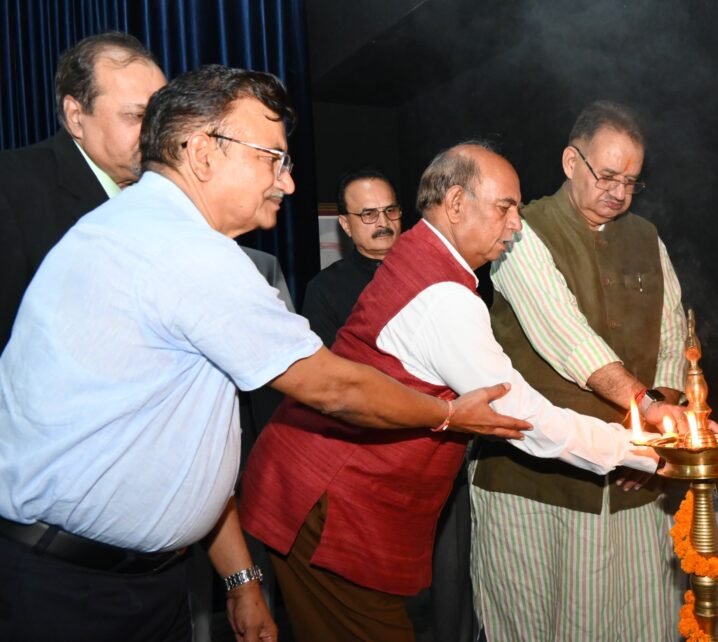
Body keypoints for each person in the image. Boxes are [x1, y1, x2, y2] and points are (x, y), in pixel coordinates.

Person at [0, 67, 526, 642]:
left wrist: (241, 581)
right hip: (74, 593)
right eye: (272, 158)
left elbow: (191, 451)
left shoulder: (136, 228)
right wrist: (448, 414)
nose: (288, 183)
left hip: (129, 581)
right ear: (203, 152)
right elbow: (334, 388)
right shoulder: (185, 251)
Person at [239, 141, 673, 642]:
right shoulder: (445, 297)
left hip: (323, 495)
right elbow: (521, 418)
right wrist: (645, 449)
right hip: (327, 503)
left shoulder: (420, 254)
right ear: (457, 203)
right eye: (505, 208)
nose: (516, 224)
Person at [471, 100, 689, 641]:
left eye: (631, 182)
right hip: (538, 481)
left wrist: (656, 434)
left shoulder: (647, 236)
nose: (618, 191)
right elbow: (567, 339)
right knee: (547, 622)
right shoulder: (520, 231)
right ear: (572, 161)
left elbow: (672, 339)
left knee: (643, 620)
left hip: (634, 478)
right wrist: (647, 409)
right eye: (607, 175)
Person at [0, 31, 166, 351]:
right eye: (136, 116)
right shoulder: (11, 187)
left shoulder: (169, 192)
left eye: (161, 117)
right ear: (76, 117)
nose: (155, 133)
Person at [301, 169, 402, 345]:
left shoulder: (428, 270)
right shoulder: (325, 289)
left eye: (390, 210)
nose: (384, 222)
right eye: (369, 214)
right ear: (346, 224)